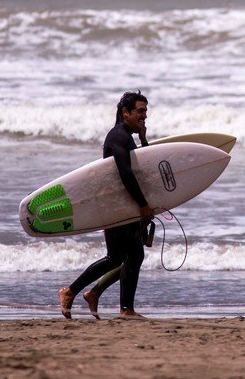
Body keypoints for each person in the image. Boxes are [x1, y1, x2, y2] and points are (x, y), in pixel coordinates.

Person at [58, 91, 154, 319]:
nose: (145, 116)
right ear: (125, 113)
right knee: (115, 258)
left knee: (135, 255)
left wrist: (143, 140)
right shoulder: (118, 136)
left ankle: (126, 310)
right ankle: (70, 291)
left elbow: (143, 168)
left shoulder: (127, 137)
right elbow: (126, 174)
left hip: (123, 205)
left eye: (146, 112)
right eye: (140, 111)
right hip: (115, 207)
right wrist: (142, 205)